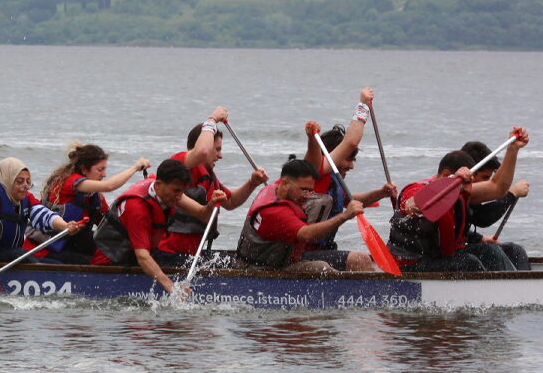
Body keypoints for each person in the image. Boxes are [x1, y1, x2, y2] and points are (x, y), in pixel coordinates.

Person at [389, 128, 530, 272]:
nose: (470, 189)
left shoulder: (461, 189)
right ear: (446, 175)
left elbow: (498, 188)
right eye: (468, 183)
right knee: (471, 261)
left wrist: (512, 149)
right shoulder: (418, 189)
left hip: (441, 256)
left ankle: (523, 290)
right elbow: (411, 204)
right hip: (411, 264)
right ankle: (493, 292)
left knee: (513, 251)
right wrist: (413, 206)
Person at [92, 158, 227, 295]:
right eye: (176, 191)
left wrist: (212, 203)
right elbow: (143, 257)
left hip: (141, 255)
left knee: (204, 262)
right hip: (112, 262)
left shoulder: (171, 192)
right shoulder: (137, 207)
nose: (179, 196)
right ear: (158, 184)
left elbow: (202, 214)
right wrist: (171, 287)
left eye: (182, 191)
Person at [0, 157, 86, 289]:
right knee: (20, 253)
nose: (25, 186)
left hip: (7, 256)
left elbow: (44, 215)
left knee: (55, 263)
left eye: (28, 182)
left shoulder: (25, 198)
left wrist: (65, 226)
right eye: (19, 181)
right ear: (8, 180)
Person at [158, 106, 269, 256]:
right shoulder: (179, 163)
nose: (220, 155)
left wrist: (252, 183)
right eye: (217, 149)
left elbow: (230, 203)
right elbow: (202, 152)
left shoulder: (209, 176)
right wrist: (212, 120)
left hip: (191, 254)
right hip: (166, 252)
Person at [235, 158, 375, 272]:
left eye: (310, 191)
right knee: (322, 268)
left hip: (276, 260)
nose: (307, 196)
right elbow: (307, 235)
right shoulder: (275, 212)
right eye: (303, 190)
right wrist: (345, 216)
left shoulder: (275, 188)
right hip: (263, 269)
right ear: (285, 183)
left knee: (359, 260)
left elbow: (311, 160)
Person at [301, 87, 396, 249]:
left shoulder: (333, 180)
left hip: (322, 250)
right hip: (299, 254)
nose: (352, 165)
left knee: (361, 260)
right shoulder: (314, 173)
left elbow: (351, 200)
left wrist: (381, 193)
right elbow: (351, 142)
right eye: (348, 158)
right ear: (333, 154)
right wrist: (363, 106)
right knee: (360, 261)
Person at [34, 143, 153, 264]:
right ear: (84, 169)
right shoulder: (70, 182)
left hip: (72, 245)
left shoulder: (95, 196)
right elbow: (109, 186)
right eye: (100, 169)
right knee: (92, 259)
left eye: (105, 169)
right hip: (47, 249)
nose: (104, 174)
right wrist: (135, 168)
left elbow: (111, 224)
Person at [460, 140, 531, 270]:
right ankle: (510, 289)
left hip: (458, 247)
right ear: (469, 173)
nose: (488, 183)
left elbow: (461, 224)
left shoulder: (468, 191)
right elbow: (483, 217)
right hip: (439, 256)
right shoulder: (457, 189)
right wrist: (511, 195)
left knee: (515, 250)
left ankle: (527, 286)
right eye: (485, 178)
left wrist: (479, 238)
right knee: (491, 252)